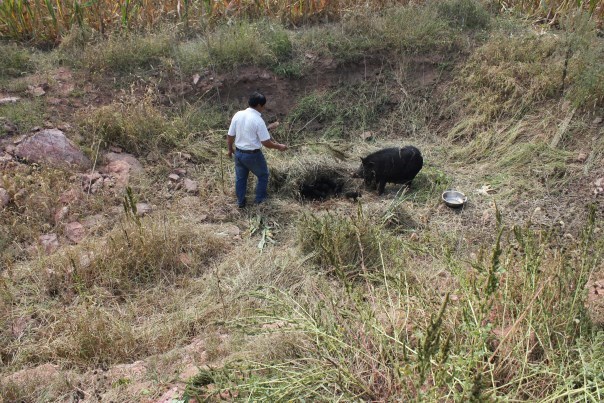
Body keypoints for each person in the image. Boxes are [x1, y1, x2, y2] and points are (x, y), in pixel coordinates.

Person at [227, 91, 287, 208]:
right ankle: (260, 201)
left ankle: (240, 202)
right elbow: (266, 143)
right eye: (263, 105)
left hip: (239, 153)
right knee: (263, 175)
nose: (264, 108)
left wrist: (230, 150)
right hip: (253, 155)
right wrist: (279, 146)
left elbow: (230, 136)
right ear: (259, 105)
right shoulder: (258, 120)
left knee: (240, 178)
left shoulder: (238, 115)